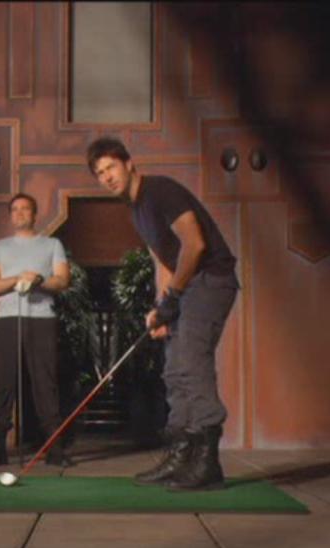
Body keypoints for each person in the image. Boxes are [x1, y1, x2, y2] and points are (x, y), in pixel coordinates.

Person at [87, 137, 239, 490]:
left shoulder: (160, 190)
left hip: (211, 279)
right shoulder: (136, 210)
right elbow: (163, 263)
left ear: (128, 163)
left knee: (192, 363)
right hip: (187, 287)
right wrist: (161, 309)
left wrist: (172, 298)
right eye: (100, 173)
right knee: (173, 369)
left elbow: (195, 245)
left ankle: (207, 463)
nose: (107, 177)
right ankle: (181, 455)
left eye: (111, 167)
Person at [0, 193, 73, 467]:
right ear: (10, 215)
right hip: (7, 319)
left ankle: (54, 448)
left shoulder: (52, 244)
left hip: (41, 318)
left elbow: (62, 280)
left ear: (35, 214)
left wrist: (38, 280)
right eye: (15, 209)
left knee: (45, 381)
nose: (20, 213)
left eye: (25, 209)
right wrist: (17, 279)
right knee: (4, 380)